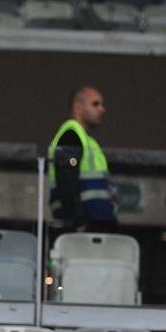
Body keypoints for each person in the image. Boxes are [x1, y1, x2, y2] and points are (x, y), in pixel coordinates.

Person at [48, 86, 117, 234]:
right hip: (83, 226)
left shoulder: (85, 139)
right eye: (95, 104)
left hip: (93, 223)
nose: (102, 109)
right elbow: (66, 175)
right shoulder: (72, 134)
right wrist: (78, 221)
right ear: (78, 107)